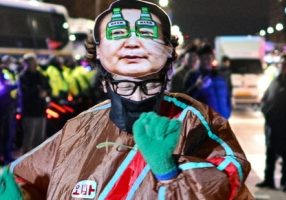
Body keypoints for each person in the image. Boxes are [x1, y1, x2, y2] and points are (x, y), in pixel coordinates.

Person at [1, 1, 252, 199]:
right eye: (124, 86)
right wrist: (18, 193)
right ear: (104, 81)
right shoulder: (82, 125)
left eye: (151, 85)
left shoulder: (192, 119)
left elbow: (227, 179)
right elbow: (27, 174)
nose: (132, 43)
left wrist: (170, 173)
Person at [256, 54, 286, 192]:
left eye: (285, 64)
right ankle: (268, 180)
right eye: (281, 63)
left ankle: (285, 181)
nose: (282, 66)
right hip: (272, 124)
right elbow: (265, 98)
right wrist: (265, 110)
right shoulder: (275, 80)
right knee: (270, 152)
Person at [185, 44, 231, 119]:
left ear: (212, 59)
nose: (206, 61)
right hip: (204, 123)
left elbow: (227, 97)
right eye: (203, 58)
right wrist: (197, 87)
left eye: (208, 58)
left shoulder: (219, 76)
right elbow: (186, 99)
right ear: (199, 59)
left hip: (222, 122)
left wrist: (227, 113)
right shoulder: (192, 75)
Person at [18, 53, 49, 153]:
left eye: (34, 62)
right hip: (29, 112)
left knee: (40, 138)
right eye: (30, 62)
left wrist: (46, 92)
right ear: (26, 64)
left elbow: (48, 87)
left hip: (41, 110)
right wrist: (37, 91)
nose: (33, 64)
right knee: (29, 138)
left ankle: (38, 161)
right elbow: (24, 92)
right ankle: (25, 162)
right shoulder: (23, 76)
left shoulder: (40, 74)